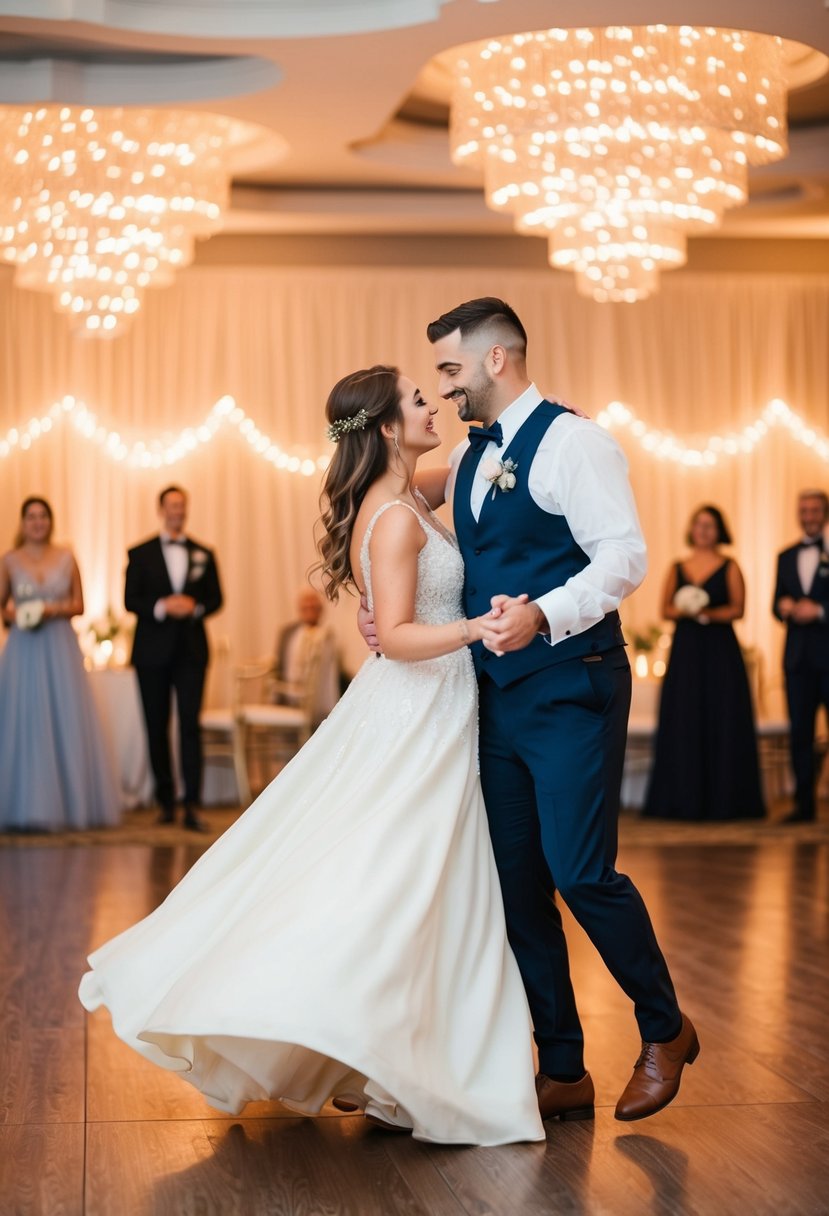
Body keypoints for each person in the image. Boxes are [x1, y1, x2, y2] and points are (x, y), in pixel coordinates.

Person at [79, 367, 544, 1146]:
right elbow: (395, 638)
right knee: (403, 880)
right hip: (418, 708)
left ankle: (389, 1059)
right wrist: (476, 628)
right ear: (389, 428)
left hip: (426, 708)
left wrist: (502, 424)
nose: (434, 406)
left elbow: (467, 467)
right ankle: (400, 1058)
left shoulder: (402, 497)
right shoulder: (394, 517)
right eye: (420, 401)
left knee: (408, 883)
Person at [363, 297, 699, 1123]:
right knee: (517, 884)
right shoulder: (474, 457)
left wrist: (544, 612)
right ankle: (563, 1067)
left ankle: (665, 1029)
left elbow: (622, 558)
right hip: (492, 698)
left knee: (581, 871)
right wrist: (380, 606)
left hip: (571, 684)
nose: (441, 390)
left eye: (449, 370)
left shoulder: (577, 443)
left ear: (496, 361)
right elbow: (388, 501)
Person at [0, 497, 120, 832]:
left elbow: (80, 605)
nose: (37, 522)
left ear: (51, 521)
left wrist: (50, 611)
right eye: (31, 517)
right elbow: (2, 607)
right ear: (22, 522)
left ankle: (67, 804)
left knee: (63, 718)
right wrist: (20, 615)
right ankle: (23, 806)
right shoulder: (9, 560)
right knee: (25, 720)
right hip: (23, 648)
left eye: (43, 516)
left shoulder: (67, 556)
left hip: (59, 647)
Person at [643, 505, 765, 821]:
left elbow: (738, 609)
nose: (704, 530)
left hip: (721, 652)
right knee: (684, 716)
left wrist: (707, 614)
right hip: (686, 651)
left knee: (723, 717)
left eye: (710, 525)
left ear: (719, 530)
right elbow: (665, 609)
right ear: (692, 529)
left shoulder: (730, 566)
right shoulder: (677, 567)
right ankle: (682, 801)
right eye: (699, 524)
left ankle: (727, 801)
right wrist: (686, 611)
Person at [124, 486, 223, 832]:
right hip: (150, 652)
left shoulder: (203, 552)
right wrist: (163, 606)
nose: (177, 510)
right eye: (171, 505)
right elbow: (130, 600)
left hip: (191, 652)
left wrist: (194, 607)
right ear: (161, 509)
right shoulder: (140, 553)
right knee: (156, 725)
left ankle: (191, 804)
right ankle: (166, 801)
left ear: (186, 508)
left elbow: (216, 599)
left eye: (182, 505)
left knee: (189, 726)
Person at [773, 489, 829, 823]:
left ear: (824, 513)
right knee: (800, 734)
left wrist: (820, 611)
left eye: (814, 509)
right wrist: (783, 607)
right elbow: (775, 602)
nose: (808, 515)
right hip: (797, 660)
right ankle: (804, 805)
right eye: (803, 509)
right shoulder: (785, 555)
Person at [274, 587, 344, 724]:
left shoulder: (327, 636)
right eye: (305, 607)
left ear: (320, 610)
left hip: (316, 697)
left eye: (313, 607)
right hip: (286, 691)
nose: (309, 610)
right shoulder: (287, 633)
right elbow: (279, 664)